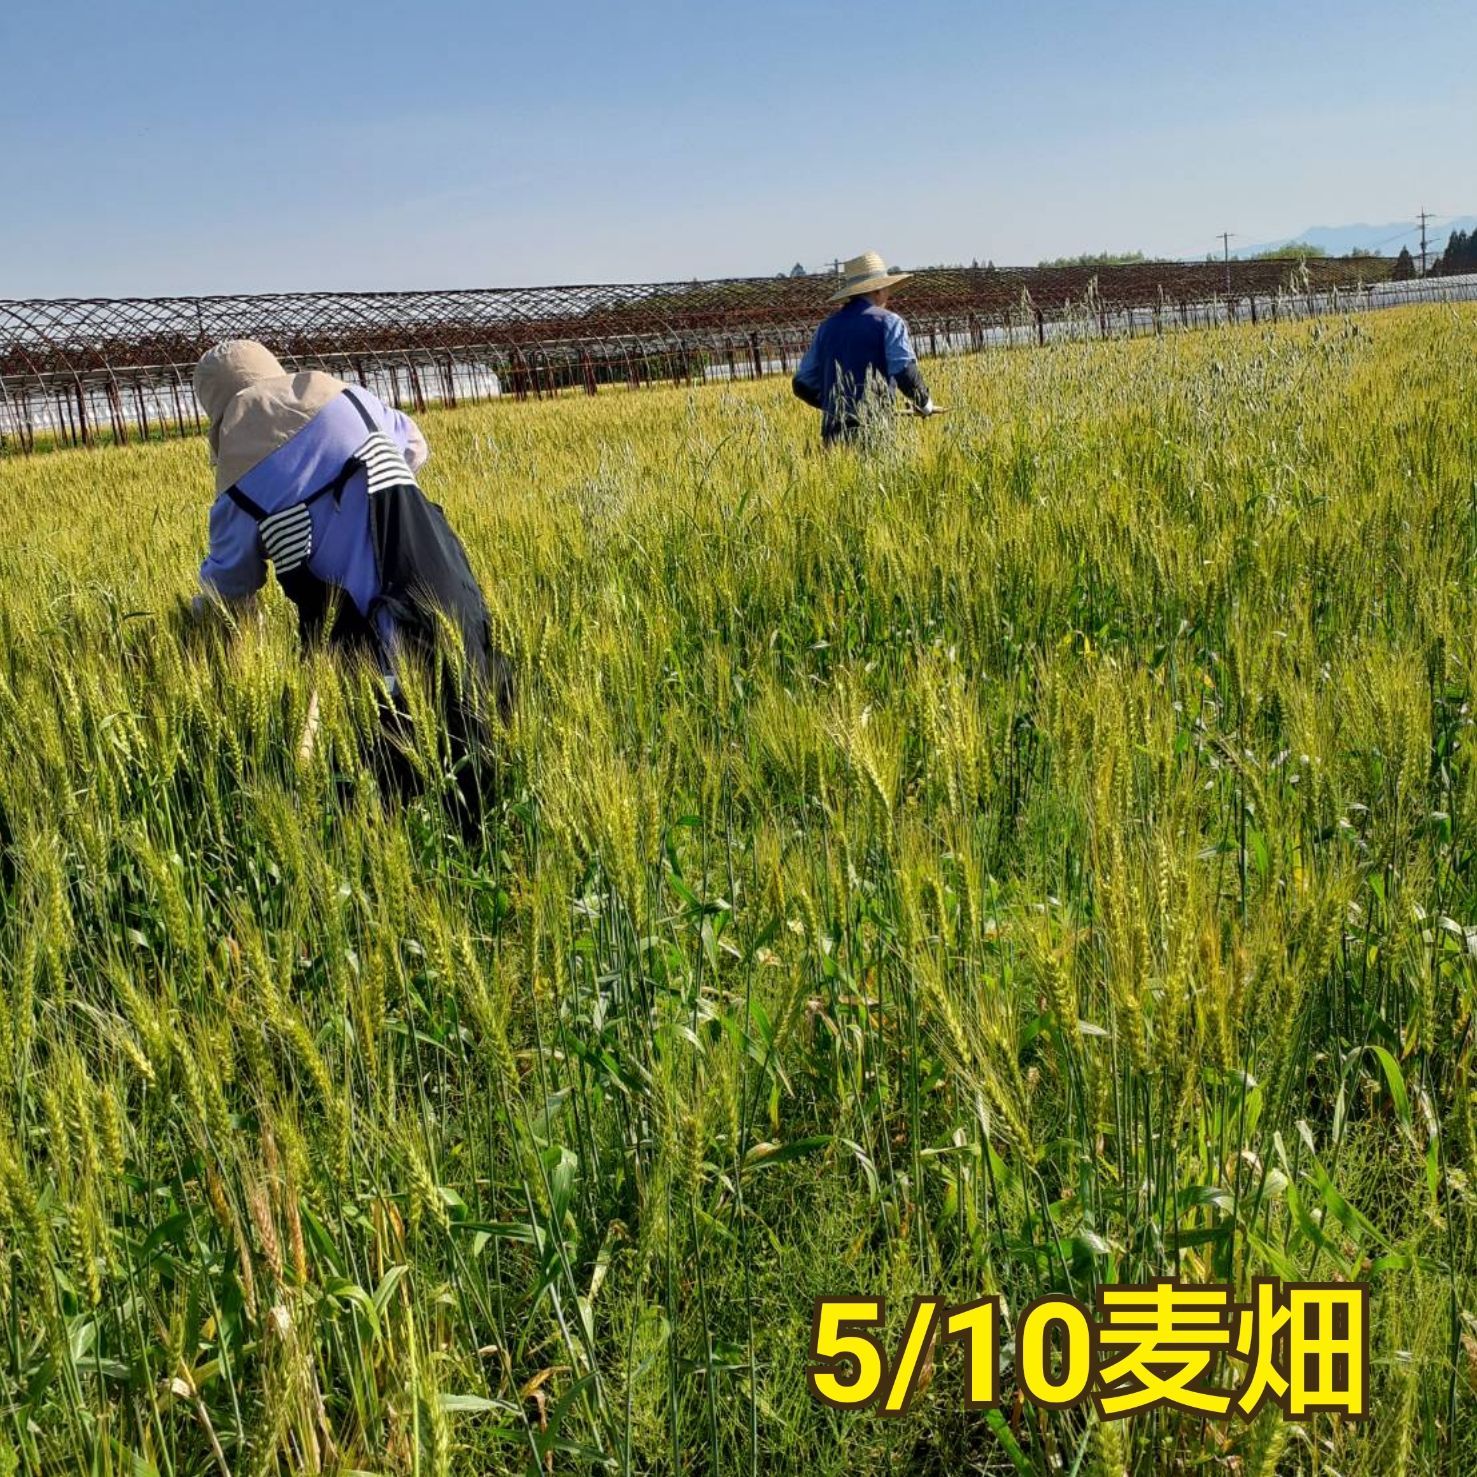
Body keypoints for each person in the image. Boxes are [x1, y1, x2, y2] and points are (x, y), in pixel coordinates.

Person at [191, 339, 511, 819]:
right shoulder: (353, 400)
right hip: (450, 589)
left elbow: (228, 592)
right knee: (480, 767)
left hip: (369, 649)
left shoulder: (239, 484)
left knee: (381, 807)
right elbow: (415, 449)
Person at [792, 251, 940, 444]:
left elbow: (802, 383)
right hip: (875, 431)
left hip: (833, 436)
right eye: (886, 289)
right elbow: (904, 370)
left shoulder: (826, 328)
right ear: (877, 290)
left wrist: (834, 405)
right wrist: (925, 403)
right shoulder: (889, 322)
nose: (888, 294)